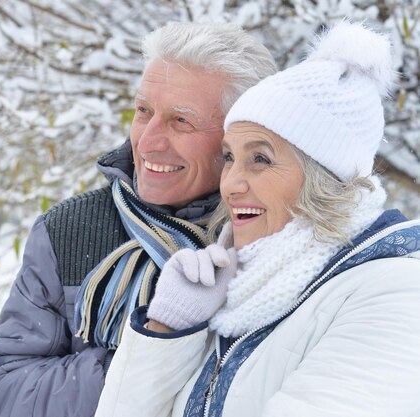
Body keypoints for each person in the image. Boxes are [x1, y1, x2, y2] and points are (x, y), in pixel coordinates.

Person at [95, 20, 420, 417]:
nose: (230, 184)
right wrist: (169, 328)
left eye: (260, 159)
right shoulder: (251, 290)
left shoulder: (395, 295)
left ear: (325, 178)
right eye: (230, 157)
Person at [0, 22, 277, 417]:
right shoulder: (71, 230)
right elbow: (1, 392)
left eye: (180, 120)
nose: (147, 141)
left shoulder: (276, 233)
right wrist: (149, 354)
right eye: (143, 111)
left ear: (238, 135)